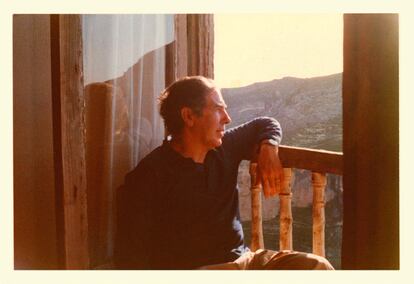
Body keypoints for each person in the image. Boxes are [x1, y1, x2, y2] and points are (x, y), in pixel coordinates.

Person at [114, 76, 334, 270]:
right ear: (189, 116)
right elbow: (132, 255)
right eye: (218, 109)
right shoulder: (151, 174)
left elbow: (265, 123)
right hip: (199, 270)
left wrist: (269, 146)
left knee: (316, 267)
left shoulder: (224, 148)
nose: (227, 118)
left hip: (246, 262)